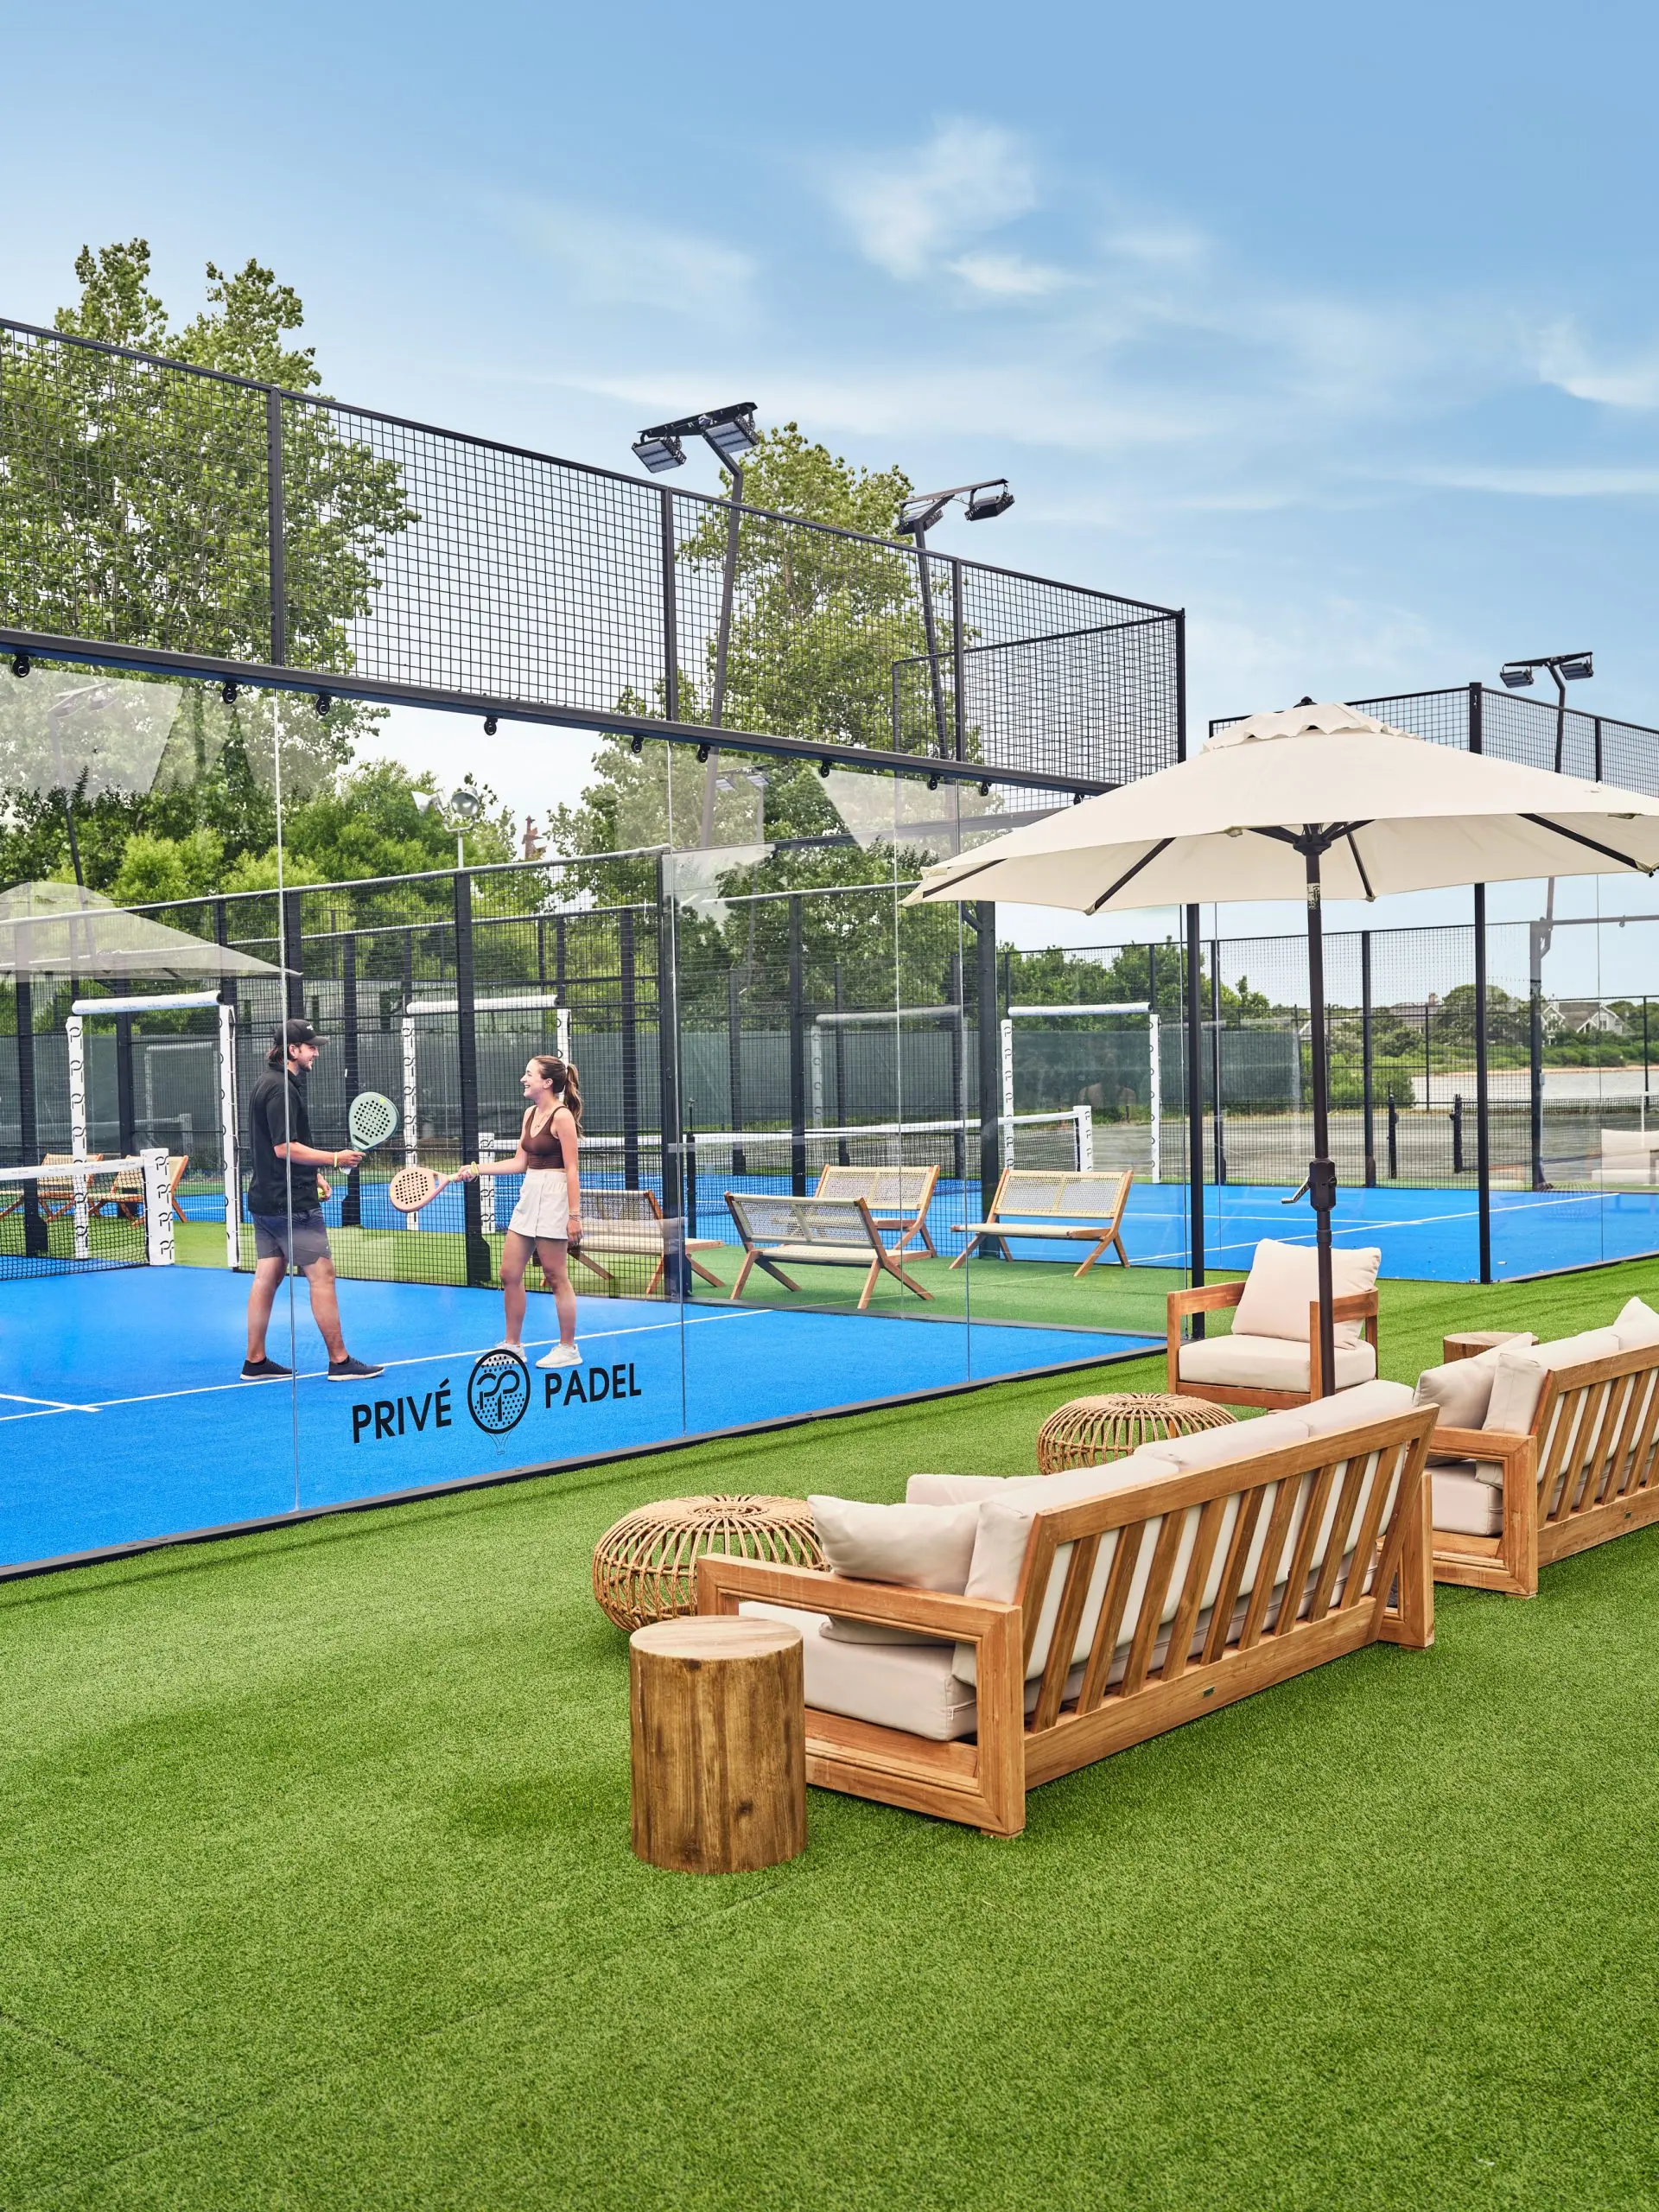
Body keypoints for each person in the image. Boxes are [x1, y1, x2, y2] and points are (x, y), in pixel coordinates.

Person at [243, 1019, 384, 1383]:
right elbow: (283, 1147)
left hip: (266, 1199)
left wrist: (313, 1173)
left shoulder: (267, 1083)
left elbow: (277, 1149)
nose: (316, 1052)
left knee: (267, 1277)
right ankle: (340, 1362)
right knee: (322, 1277)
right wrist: (334, 1159)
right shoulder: (281, 1089)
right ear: (293, 1050)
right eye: (311, 1047)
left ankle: (254, 1362)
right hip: (292, 1205)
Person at [447, 1055, 582, 1370]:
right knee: (509, 1273)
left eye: (529, 1074)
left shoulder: (562, 1117)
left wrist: (574, 1216)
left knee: (554, 1275)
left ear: (547, 1082)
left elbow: (573, 1168)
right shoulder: (530, 1113)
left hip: (555, 1195)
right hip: (530, 1192)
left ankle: (568, 1347)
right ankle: (513, 1346)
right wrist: (477, 1168)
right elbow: (519, 1163)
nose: (524, 1078)